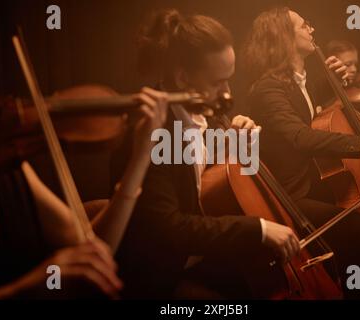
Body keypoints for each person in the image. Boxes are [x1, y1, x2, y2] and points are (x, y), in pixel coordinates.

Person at [114, 9, 301, 299]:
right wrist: (259, 229)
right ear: (183, 77)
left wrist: (241, 147)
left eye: (229, 79)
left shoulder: (205, 115)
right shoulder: (152, 130)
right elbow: (170, 229)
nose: (227, 92)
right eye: (218, 83)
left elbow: (212, 185)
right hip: (161, 276)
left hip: (201, 256)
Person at [243, 6, 360, 298]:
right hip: (292, 194)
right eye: (304, 26)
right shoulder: (267, 89)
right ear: (285, 38)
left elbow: (310, 115)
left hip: (315, 182)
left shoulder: (295, 82)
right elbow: (300, 136)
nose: (311, 30)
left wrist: (331, 86)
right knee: (354, 227)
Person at [0, 88, 167, 299]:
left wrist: (140, 158)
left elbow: (94, 247)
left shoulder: (10, 169)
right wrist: (28, 290)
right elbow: (50, 284)